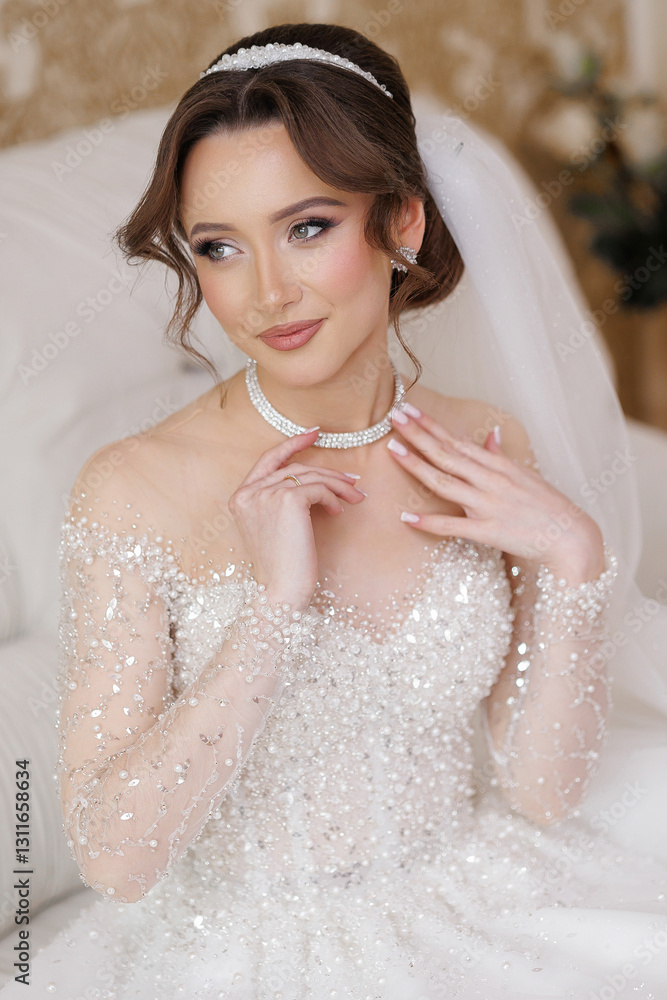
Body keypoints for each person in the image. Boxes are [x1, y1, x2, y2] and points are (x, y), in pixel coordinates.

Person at [3, 20, 667, 1000]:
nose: (267, 293)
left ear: (400, 224)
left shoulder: (481, 446)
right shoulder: (134, 487)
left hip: (480, 899)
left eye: (306, 227)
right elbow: (114, 858)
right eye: (220, 247)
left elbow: (540, 793)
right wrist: (270, 614)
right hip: (239, 955)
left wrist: (573, 562)